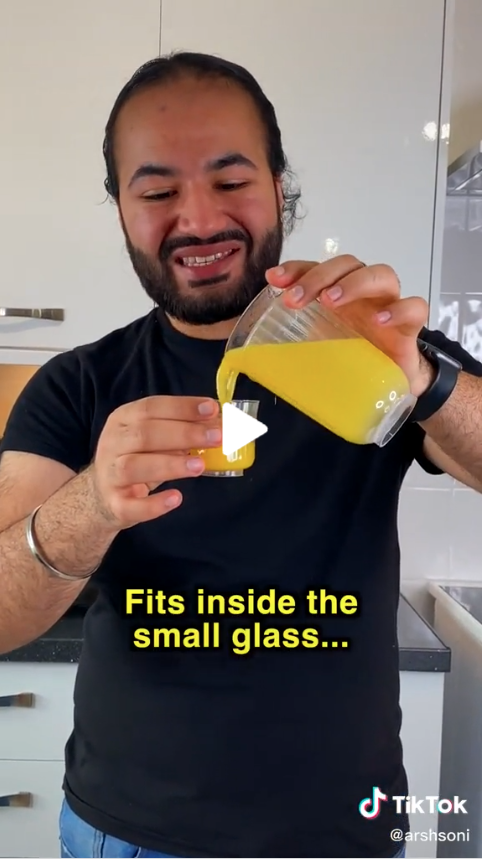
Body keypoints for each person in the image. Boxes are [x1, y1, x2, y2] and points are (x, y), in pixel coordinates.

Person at [0, 51, 481, 860]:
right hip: (128, 833)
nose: (197, 219)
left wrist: (426, 380)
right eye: (156, 192)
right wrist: (92, 503)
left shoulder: (371, 351)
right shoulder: (77, 384)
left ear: (279, 184)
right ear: (120, 208)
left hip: (343, 833)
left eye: (230, 180)